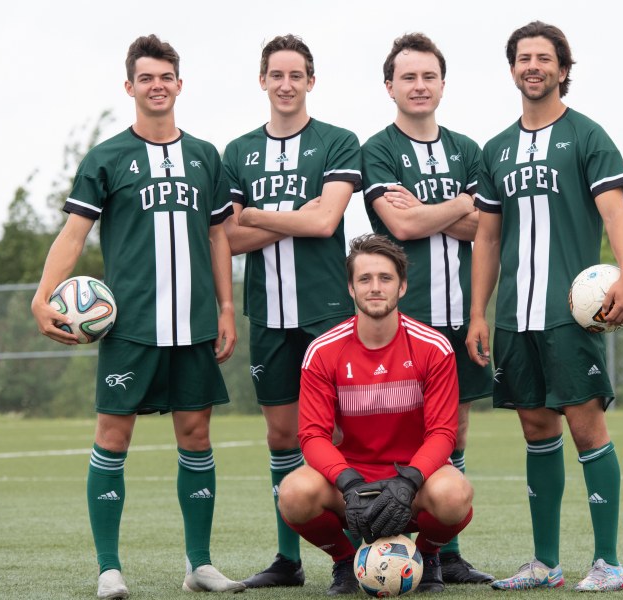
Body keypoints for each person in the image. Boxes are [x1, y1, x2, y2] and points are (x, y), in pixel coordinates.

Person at [30, 35, 244, 599]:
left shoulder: (204, 155)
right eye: (146, 77)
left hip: (194, 325)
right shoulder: (105, 158)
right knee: (112, 437)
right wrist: (41, 295)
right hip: (129, 328)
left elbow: (219, 236)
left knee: (196, 437)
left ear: (179, 83)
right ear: (130, 86)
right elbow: (73, 234)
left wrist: (226, 306)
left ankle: (200, 564)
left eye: (166, 76)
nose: (157, 85)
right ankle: (108, 568)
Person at [466, 21, 623, 592]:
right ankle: (545, 563)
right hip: (516, 317)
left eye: (544, 58)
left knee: (587, 428)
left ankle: (608, 562)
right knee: (536, 429)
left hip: (571, 313)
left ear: (563, 70)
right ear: (512, 68)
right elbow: (487, 239)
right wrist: (478, 313)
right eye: (523, 58)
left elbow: (615, 215)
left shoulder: (587, 136)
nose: (532, 66)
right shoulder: (496, 149)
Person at [222, 34, 362, 588]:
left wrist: (257, 214)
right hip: (268, 315)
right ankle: (288, 560)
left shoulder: (337, 141)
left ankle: (352, 556)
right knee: (281, 437)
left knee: (336, 437)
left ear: (310, 80)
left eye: (295, 75)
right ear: (262, 81)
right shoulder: (237, 152)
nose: (285, 84)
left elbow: (326, 222)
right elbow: (227, 238)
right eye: (275, 75)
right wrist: (289, 215)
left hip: (326, 313)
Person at [360, 32, 494, 585]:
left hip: (462, 313)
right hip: (402, 321)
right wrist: (463, 202)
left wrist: (436, 209)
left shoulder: (468, 148)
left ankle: (444, 553)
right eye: (408, 77)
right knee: (392, 432)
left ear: (442, 83)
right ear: (389, 85)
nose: (419, 86)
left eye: (428, 76)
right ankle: (370, 544)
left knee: (454, 433)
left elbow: (486, 228)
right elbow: (403, 225)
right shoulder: (378, 150)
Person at [277, 233, 475, 595]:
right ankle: (345, 562)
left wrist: (409, 481)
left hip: (414, 479)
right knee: (293, 493)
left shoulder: (434, 347)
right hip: (352, 481)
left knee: (455, 494)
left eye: (385, 278)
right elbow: (312, 435)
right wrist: (348, 482)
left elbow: (443, 433)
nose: (375, 287)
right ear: (351, 288)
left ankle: (428, 557)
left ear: (402, 287)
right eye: (365, 279)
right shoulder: (323, 351)